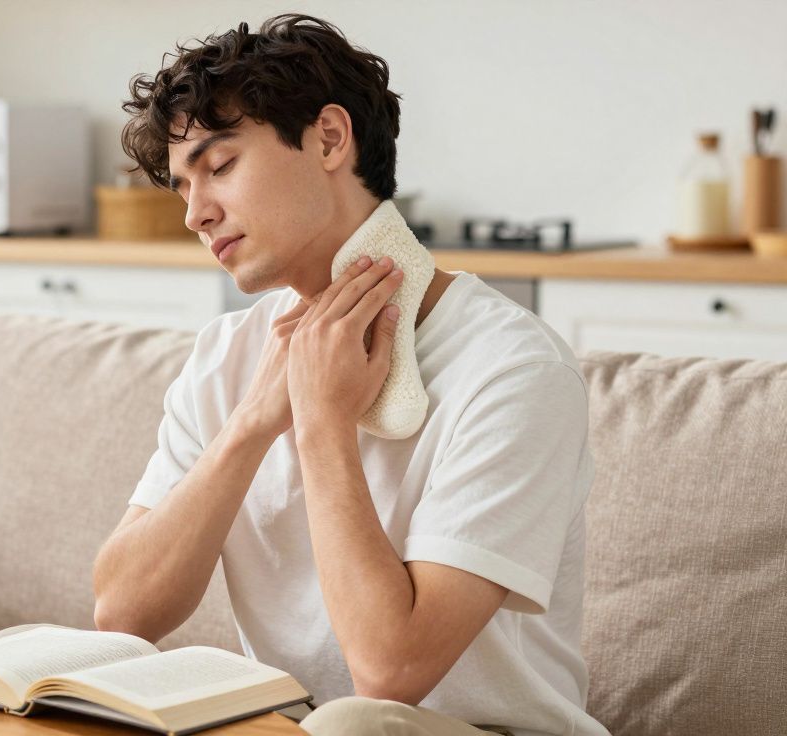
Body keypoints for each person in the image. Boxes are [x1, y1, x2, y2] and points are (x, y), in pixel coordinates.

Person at [91, 14, 609, 736]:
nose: (195, 213)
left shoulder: (515, 369)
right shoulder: (225, 357)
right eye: (182, 187)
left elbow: (392, 675)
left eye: (220, 166)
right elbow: (121, 613)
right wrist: (251, 426)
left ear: (330, 138)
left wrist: (322, 422)